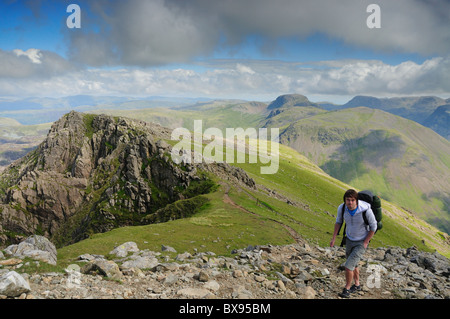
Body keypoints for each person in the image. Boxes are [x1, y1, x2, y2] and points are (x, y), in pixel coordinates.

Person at [330, 189, 377, 298]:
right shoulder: (341, 208)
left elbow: (374, 227)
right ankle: (357, 284)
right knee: (353, 263)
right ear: (345, 200)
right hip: (349, 239)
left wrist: (366, 242)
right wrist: (333, 238)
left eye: (352, 200)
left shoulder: (365, 210)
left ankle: (347, 288)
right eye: (348, 200)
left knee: (348, 266)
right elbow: (338, 222)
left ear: (357, 201)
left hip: (361, 241)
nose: (350, 202)